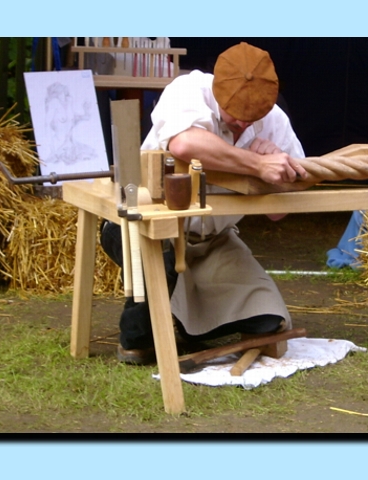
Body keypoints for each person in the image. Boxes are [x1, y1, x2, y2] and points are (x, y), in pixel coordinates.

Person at [100, 42, 308, 364]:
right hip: (152, 232)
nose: (241, 124)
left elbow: (278, 213)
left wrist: (275, 174)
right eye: (234, 115)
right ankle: (145, 332)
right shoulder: (188, 89)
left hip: (214, 244)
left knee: (267, 321)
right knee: (145, 337)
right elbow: (184, 144)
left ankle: (187, 325)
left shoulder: (275, 120)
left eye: (250, 118)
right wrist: (256, 163)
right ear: (217, 89)